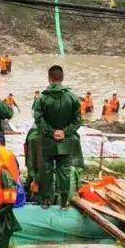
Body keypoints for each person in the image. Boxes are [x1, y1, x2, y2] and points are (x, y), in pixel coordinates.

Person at [34, 65, 82, 209]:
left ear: (49, 78)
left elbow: (38, 119)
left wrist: (51, 131)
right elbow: (78, 120)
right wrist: (65, 132)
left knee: (46, 170)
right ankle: (63, 202)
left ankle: (46, 201)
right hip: (66, 142)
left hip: (48, 142)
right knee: (64, 171)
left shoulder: (42, 98)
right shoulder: (73, 98)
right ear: (62, 78)